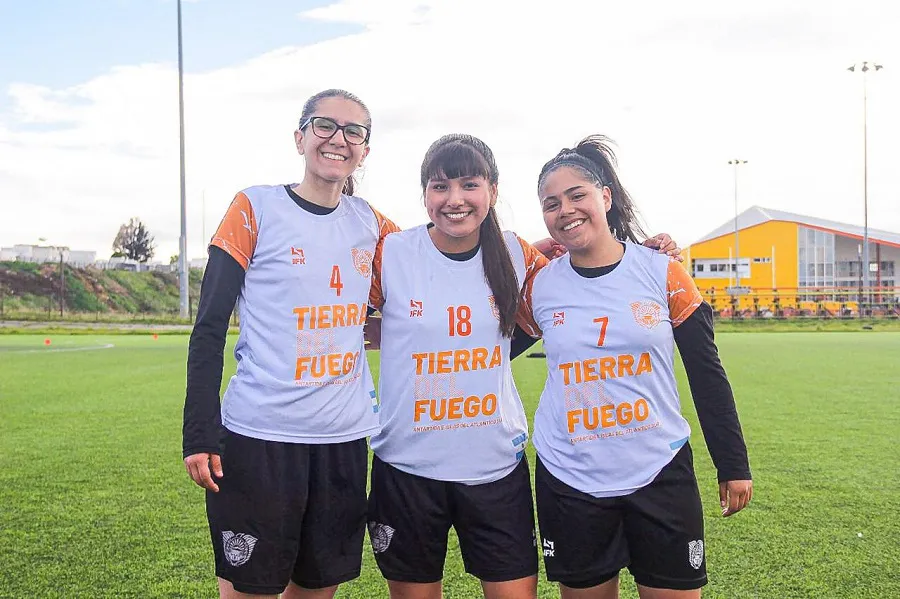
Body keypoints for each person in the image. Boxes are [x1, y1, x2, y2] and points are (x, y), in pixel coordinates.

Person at [364, 134, 682, 599]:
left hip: (495, 467)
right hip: (405, 468)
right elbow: (339, 311)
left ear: (492, 190)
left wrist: (649, 255)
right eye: (439, 186)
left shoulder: (518, 256)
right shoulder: (391, 253)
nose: (455, 200)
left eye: (469, 185)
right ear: (425, 195)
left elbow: (588, 270)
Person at [182, 89, 399, 599]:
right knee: (250, 589)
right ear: (300, 137)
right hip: (259, 437)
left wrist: (529, 251)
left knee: (317, 589)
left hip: (342, 442)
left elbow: (437, 264)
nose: (338, 139)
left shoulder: (372, 224)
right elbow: (209, 327)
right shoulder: (254, 207)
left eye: (354, 131)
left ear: (364, 150)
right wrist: (199, 432)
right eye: (324, 125)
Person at [517, 135, 753, 599]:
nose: (565, 209)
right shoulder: (540, 284)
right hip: (570, 474)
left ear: (605, 196)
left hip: (659, 469)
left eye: (577, 195)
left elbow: (707, 373)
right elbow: (489, 350)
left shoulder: (662, 271)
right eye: (551, 203)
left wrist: (732, 463)